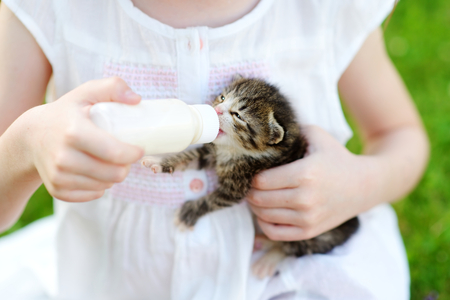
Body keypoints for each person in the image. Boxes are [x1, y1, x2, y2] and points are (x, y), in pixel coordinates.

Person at [0, 0, 429, 299]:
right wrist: (26, 143)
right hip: (117, 282)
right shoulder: (52, 8)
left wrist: (358, 183)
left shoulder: (322, 8)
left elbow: (401, 135)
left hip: (294, 278)